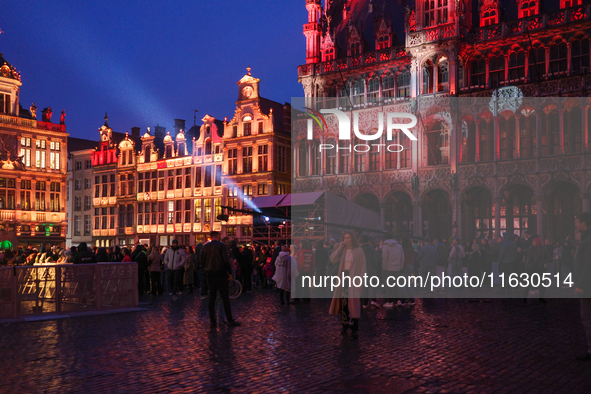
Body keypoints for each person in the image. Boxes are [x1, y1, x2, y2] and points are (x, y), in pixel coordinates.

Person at [329, 232, 367, 339]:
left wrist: (360, 280)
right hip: (343, 277)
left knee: (354, 303)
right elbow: (332, 259)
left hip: (354, 278)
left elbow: (363, 266)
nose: (347, 240)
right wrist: (339, 249)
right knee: (344, 302)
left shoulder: (359, 250)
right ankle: (344, 325)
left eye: (349, 238)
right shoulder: (342, 250)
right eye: (345, 238)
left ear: (352, 238)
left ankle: (355, 328)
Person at [201, 231, 241, 329]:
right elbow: (226, 260)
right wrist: (229, 272)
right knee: (225, 298)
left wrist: (206, 270)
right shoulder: (221, 246)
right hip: (221, 274)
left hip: (210, 275)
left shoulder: (205, 247)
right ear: (218, 236)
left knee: (211, 298)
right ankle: (229, 320)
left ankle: (212, 321)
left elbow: (202, 261)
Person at [575, 213, 591, 361]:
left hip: (587, 287)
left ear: (584, 223)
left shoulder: (587, 240)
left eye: (577, 221)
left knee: (587, 317)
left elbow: (588, 264)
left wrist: (581, 285)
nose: (576, 225)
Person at [381, 232, 404, 307]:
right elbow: (402, 257)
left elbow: (385, 258)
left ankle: (390, 302)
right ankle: (398, 300)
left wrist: (384, 267)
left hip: (388, 268)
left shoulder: (386, 247)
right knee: (396, 286)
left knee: (389, 287)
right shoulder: (399, 246)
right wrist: (401, 266)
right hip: (397, 268)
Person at [522, 237, 546, 303]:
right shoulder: (530, 249)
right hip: (532, 268)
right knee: (529, 283)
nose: (533, 242)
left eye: (534, 241)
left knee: (541, 284)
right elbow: (529, 259)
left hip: (539, 268)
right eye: (533, 241)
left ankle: (542, 298)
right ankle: (525, 298)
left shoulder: (542, 249)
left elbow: (547, 257)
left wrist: (542, 261)